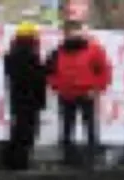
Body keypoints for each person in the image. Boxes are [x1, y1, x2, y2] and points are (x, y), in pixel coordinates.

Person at [45, 20, 112, 169]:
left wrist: (96, 89)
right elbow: (49, 72)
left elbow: (104, 71)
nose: (73, 35)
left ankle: (91, 157)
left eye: (75, 31)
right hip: (66, 94)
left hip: (86, 93)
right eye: (69, 32)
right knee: (67, 127)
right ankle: (68, 157)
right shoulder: (57, 52)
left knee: (90, 127)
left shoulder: (94, 50)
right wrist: (57, 86)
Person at [2, 22, 47, 171]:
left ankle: (11, 160)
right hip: (30, 100)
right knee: (27, 133)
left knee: (17, 131)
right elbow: (37, 78)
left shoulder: (11, 57)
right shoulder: (31, 57)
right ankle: (20, 162)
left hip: (17, 100)